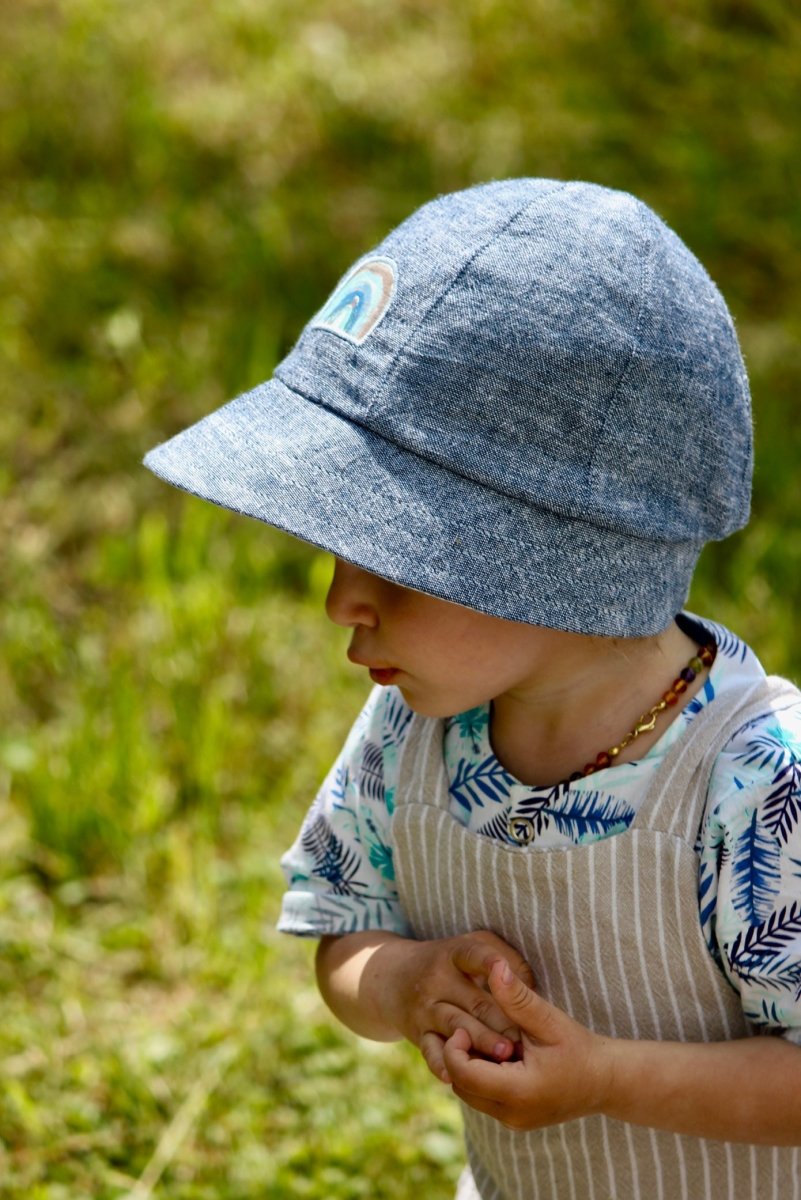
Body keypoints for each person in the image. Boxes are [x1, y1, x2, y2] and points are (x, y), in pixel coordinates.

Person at [144, 179, 801, 1198]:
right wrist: (404, 982)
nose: (339, 604)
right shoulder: (412, 729)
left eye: (391, 561)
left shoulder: (761, 781)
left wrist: (609, 1080)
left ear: (551, 561)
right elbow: (344, 927)